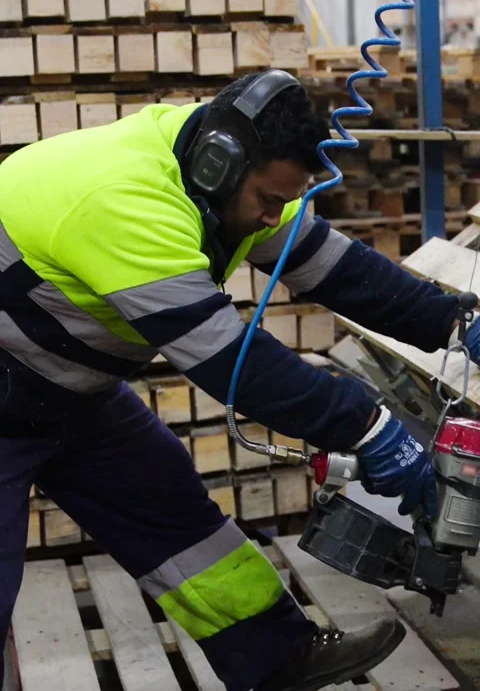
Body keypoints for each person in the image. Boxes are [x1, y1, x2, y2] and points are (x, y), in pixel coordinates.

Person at [0, 69, 475, 691]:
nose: (271, 218)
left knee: (167, 505)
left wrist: (457, 324)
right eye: (267, 201)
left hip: (63, 392)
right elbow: (235, 362)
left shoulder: (228, 164)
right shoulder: (126, 204)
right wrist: (373, 430)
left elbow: (340, 272)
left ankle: (277, 658)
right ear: (218, 166)